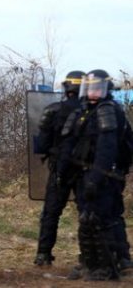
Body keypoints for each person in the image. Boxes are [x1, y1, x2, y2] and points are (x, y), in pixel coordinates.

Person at [59, 69, 131, 280]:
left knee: (101, 220)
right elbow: (70, 143)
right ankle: (90, 263)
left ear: (106, 89)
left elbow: (106, 150)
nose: (92, 93)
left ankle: (107, 267)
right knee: (88, 220)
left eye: (97, 89)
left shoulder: (107, 110)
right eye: (90, 88)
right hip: (86, 173)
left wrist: (96, 178)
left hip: (104, 175)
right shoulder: (85, 111)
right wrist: (63, 173)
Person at [34, 71, 85, 266]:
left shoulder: (53, 110)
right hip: (84, 170)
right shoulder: (92, 111)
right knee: (86, 213)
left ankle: (43, 254)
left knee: (51, 212)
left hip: (59, 169)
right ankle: (87, 255)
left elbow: (41, 145)